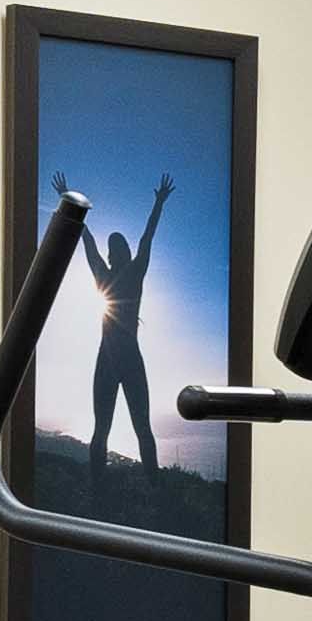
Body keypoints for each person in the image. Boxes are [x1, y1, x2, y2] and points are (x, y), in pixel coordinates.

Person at [74, 179, 176, 479]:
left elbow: (93, 243)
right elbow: (143, 239)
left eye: (115, 248)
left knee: (114, 429)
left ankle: (107, 488)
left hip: (112, 358)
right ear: (123, 253)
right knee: (130, 428)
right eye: (116, 248)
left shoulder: (112, 275)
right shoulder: (129, 273)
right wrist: (158, 203)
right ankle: (148, 486)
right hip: (125, 357)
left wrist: (158, 204)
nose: (114, 252)